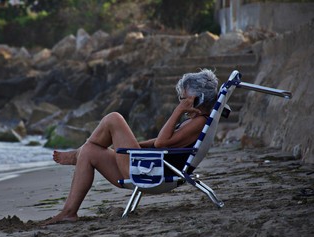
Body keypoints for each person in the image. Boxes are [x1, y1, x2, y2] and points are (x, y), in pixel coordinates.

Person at [43, 68, 218, 225]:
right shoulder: (195, 121)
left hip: (150, 172)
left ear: (196, 99)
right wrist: (133, 146)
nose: (180, 102)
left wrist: (177, 111)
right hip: (149, 166)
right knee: (89, 151)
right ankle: (69, 212)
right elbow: (162, 141)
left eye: (183, 98)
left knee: (114, 118)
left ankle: (76, 155)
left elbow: (161, 143)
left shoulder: (198, 122)